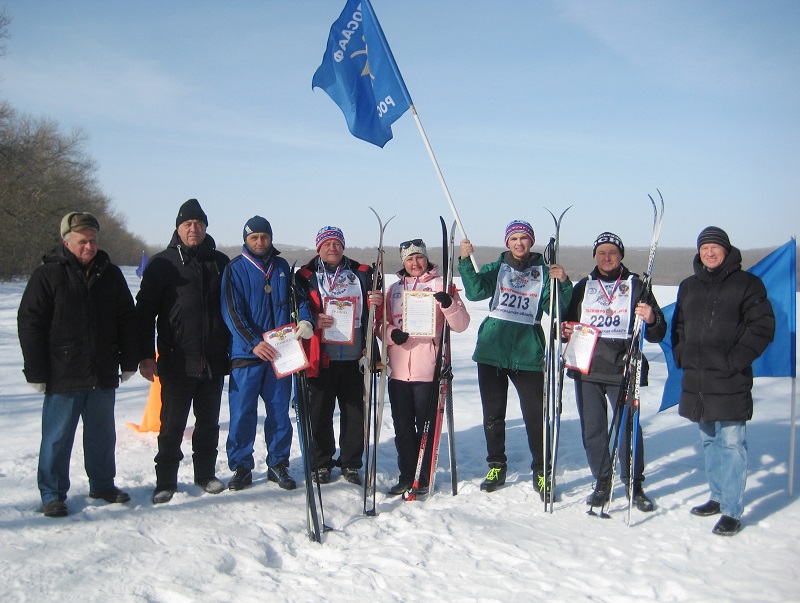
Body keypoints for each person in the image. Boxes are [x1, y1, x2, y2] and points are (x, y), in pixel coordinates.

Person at [18, 212, 138, 517]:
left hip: (102, 369)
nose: (89, 246)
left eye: (93, 240)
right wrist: (36, 370)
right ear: (66, 242)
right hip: (63, 373)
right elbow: (30, 322)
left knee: (102, 435)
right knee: (57, 437)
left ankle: (102, 484)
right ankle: (52, 493)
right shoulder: (47, 275)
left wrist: (129, 359)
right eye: (82, 241)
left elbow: (127, 318)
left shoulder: (110, 275)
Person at [458, 220, 572, 501]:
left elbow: (555, 308)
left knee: (535, 415)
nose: (519, 243)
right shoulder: (496, 268)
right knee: (493, 415)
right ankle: (496, 465)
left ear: (531, 242)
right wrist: (464, 260)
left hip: (528, 354)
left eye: (524, 238)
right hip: (492, 350)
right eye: (514, 238)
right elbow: (474, 292)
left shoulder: (544, 272)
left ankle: (541, 470)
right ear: (507, 242)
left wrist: (563, 284)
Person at [672, 226, 774, 536]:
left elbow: (762, 328)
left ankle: (731, 509)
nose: (709, 252)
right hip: (699, 380)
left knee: (732, 443)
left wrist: (734, 361)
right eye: (704, 248)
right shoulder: (689, 286)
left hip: (730, 378)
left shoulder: (747, 284)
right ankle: (716, 497)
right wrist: (682, 356)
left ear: (726, 251)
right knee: (709, 440)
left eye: (715, 247)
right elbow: (680, 327)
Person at [136, 199, 231, 504]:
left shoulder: (219, 262)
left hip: (213, 361)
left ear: (206, 227)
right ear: (178, 228)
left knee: (208, 424)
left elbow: (233, 308)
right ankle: (166, 480)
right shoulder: (162, 263)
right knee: (171, 425)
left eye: (199, 224)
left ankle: (204, 474)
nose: (194, 229)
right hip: (177, 360)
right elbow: (144, 312)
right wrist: (145, 355)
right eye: (188, 224)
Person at [563, 232, 666, 512]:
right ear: (595, 256)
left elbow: (658, 331)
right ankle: (602, 483)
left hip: (622, 368)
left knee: (628, 429)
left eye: (612, 253)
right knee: (593, 430)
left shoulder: (636, 285)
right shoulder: (584, 286)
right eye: (601, 253)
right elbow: (567, 325)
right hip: (587, 368)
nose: (606, 258)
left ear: (621, 256)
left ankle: (634, 484)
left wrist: (652, 318)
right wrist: (565, 330)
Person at [221, 216, 314, 491]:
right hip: (247, 354)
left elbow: (299, 299)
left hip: (281, 353)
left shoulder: (283, 267)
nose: (260, 242)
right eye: (254, 237)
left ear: (270, 238)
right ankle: (241, 466)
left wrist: (305, 320)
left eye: (264, 236)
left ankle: (278, 463)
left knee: (278, 413)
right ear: (246, 240)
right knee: (242, 413)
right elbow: (231, 311)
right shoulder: (235, 269)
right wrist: (252, 342)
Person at [381, 238, 470, 495]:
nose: (415, 263)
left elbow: (461, 325)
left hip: (427, 370)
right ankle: (407, 475)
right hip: (398, 371)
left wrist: (448, 303)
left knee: (426, 427)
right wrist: (391, 334)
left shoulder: (442, 285)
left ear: (426, 258)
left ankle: (424, 475)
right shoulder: (394, 290)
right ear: (403, 262)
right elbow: (379, 325)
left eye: (419, 257)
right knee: (403, 428)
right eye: (409, 259)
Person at [295, 226, 381, 486]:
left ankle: (351, 463)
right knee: (319, 411)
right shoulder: (305, 276)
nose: (332, 248)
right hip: (322, 356)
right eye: (327, 244)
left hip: (355, 356)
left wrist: (376, 298)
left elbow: (376, 306)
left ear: (343, 246)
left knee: (354, 412)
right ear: (318, 248)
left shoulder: (361, 273)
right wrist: (312, 318)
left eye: (337, 244)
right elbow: (298, 305)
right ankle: (322, 462)